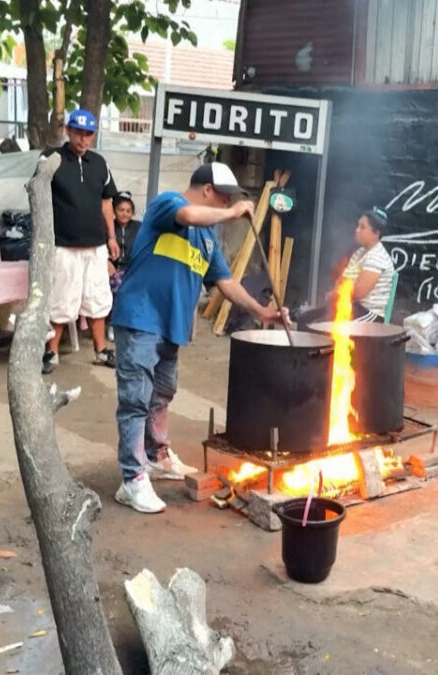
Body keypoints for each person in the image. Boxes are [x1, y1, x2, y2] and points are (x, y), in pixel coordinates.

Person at [110, 162, 288, 514]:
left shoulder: (207, 240)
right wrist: (233, 212)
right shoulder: (169, 204)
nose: (227, 206)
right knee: (135, 398)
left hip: (171, 327)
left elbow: (226, 283)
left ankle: (156, 456)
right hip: (141, 318)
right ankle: (131, 480)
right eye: (224, 199)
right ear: (208, 189)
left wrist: (262, 312)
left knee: (161, 394)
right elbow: (190, 215)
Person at [42, 108, 119, 374]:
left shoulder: (99, 163)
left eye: (88, 134)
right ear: (68, 131)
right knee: (61, 300)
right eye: (78, 133)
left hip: (95, 247)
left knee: (98, 299)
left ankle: (100, 350)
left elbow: (106, 201)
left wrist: (111, 237)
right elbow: (38, 197)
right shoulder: (51, 159)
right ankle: (50, 353)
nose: (83, 139)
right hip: (63, 246)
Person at [294, 207, 395, 329]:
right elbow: (344, 278)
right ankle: (311, 348)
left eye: (362, 227)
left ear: (376, 233)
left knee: (322, 326)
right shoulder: (360, 253)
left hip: (369, 313)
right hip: (349, 305)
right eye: (357, 226)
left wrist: (337, 294)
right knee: (306, 319)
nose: (357, 230)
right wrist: (335, 292)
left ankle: (328, 348)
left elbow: (359, 292)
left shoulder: (377, 256)